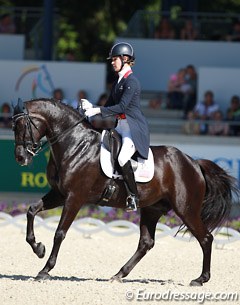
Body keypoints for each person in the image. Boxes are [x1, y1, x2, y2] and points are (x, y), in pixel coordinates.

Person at [81, 42, 150, 212]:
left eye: (115, 59)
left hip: (133, 128)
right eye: (112, 59)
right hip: (119, 126)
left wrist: (96, 109)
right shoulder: (118, 82)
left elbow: (121, 107)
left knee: (122, 157)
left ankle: (133, 196)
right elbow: (108, 106)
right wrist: (90, 107)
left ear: (125, 59)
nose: (112, 62)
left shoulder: (132, 82)